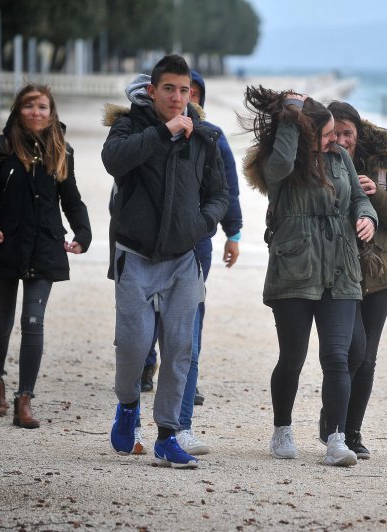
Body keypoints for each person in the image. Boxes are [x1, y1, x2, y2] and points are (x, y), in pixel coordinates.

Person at [101, 54, 229, 469]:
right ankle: (126, 406)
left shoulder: (205, 139)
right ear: (152, 91)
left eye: (184, 90)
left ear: (193, 94)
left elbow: (219, 195)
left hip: (182, 260)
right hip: (135, 257)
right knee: (134, 347)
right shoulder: (130, 127)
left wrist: (200, 225)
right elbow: (112, 161)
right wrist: (162, 132)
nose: (177, 97)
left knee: (180, 350)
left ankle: (167, 436)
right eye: (169, 89)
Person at [242, 87, 377, 467]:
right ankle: (282, 428)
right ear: (304, 135)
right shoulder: (279, 164)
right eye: (328, 134)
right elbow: (281, 165)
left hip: (341, 268)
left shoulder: (339, 159)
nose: (335, 140)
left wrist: (368, 216)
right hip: (294, 270)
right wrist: (290, 115)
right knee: (292, 358)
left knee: (337, 356)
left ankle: (336, 438)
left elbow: (358, 199)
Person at [0, 83, 91, 429]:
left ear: (52, 113)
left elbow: (72, 199)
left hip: (45, 245)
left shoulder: (62, 150)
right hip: (3, 244)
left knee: (33, 323)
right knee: (2, 321)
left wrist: (83, 234)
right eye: (29, 106)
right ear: (18, 110)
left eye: (43, 107)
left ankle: (25, 398)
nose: (36, 112)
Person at [319, 101, 387, 459]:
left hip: (379, 274)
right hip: (338, 273)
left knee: (367, 357)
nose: (341, 139)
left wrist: (377, 195)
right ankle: (333, 422)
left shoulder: (381, 166)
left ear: (359, 133)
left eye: (347, 133)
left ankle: (351, 432)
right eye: (335, 132)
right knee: (346, 353)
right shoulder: (320, 163)